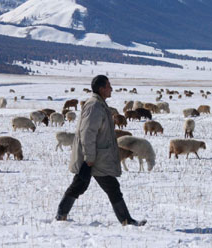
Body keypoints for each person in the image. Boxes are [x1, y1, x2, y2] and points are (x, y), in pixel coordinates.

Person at [55, 75, 146, 226]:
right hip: (93, 157)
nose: (111, 89)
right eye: (109, 86)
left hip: (97, 155)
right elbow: (88, 133)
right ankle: (126, 220)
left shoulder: (99, 104)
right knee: (95, 186)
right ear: (101, 89)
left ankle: (61, 215)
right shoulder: (95, 106)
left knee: (84, 185)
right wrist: (89, 157)